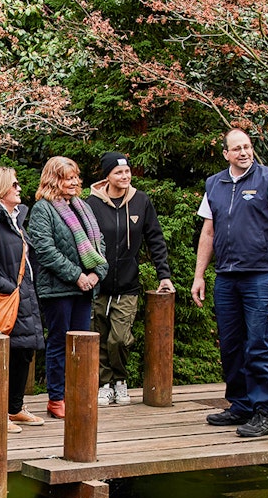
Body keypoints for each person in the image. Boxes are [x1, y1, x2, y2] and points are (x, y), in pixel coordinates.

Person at [190, 129, 268, 438]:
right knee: (230, 346)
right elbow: (208, 232)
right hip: (226, 276)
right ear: (225, 153)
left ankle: (267, 411)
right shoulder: (214, 184)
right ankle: (241, 405)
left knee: (261, 344)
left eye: (248, 147)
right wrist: (199, 275)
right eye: (237, 148)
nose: (244, 152)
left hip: (261, 274)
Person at [85, 151, 174, 406]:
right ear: (107, 176)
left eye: (127, 172)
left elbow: (155, 239)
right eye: (118, 172)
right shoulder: (91, 204)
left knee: (120, 338)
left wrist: (163, 275)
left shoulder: (141, 201)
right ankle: (103, 383)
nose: (124, 176)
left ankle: (120, 380)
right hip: (98, 283)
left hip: (128, 284)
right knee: (99, 336)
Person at [26, 157, 107, 420]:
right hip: (58, 289)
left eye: (75, 177)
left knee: (82, 343)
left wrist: (96, 273)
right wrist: (77, 276)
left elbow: (99, 244)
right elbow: (45, 250)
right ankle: (57, 398)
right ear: (53, 179)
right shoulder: (42, 209)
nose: (74, 182)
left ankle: (78, 394)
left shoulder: (83, 207)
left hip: (85, 289)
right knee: (60, 342)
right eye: (67, 177)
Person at [0, 167, 45, 433]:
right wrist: (7, 287)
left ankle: (14, 408)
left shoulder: (13, 220)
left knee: (24, 352)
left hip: (23, 295)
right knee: (5, 354)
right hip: (6, 298)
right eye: (13, 184)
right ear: (0, 189)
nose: (19, 188)